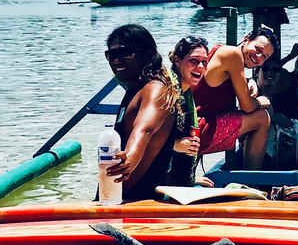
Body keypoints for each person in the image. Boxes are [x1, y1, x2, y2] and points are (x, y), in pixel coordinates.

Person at [102, 24, 179, 201]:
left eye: (125, 54)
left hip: (137, 202)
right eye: (111, 55)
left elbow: (144, 131)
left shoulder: (155, 90)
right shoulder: (134, 90)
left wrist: (128, 158)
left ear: (148, 54)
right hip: (117, 198)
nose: (116, 61)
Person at [192, 25, 277, 169]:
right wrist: (260, 102)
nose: (258, 57)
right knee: (262, 118)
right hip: (197, 130)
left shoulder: (222, 50)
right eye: (258, 49)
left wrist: (249, 82)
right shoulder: (233, 54)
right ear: (246, 40)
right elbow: (248, 106)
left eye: (265, 57)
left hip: (194, 125)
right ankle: (250, 181)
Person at [165, 35, 210, 186]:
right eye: (193, 61)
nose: (200, 67)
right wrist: (175, 145)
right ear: (177, 61)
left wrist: (191, 179)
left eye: (204, 62)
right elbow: (143, 136)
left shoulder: (186, 94)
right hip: (149, 182)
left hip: (170, 179)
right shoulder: (165, 92)